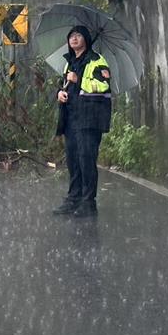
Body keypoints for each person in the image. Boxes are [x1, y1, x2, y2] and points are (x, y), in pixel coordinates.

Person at [53, 25, 112, 217]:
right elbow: (65, 87)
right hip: (71, 118)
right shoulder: (68, 63)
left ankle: (88, 203)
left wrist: (78, 80)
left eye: (78, 35)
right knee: (73, 160)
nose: (74, 39)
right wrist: (59, 93)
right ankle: (73, 198)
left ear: (86, 38)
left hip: (89, 119)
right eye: (71, 36)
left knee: (86, 159)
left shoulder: (97, 61)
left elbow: (102, 86)